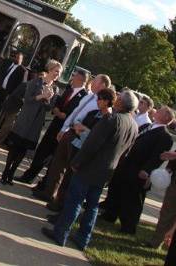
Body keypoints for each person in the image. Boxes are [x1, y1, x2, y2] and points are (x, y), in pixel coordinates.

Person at [41, 90, 139, 251]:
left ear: (121, 103)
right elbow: (126, 152)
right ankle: (83, 238)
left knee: (74, 201)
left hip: (89, 168)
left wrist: (77, 162)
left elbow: (92, 144)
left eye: (119, 98)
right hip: (106, 171)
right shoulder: (133, 125)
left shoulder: (111, 119)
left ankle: (60, 233)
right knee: (92, 205)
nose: (116, 100)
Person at [100, 106, 174, 234]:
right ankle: (110, 214)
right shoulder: (148, 126)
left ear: (166, 118)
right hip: (128, 164)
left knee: (133, 198)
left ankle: (128, 226)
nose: (156, 112)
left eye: (160, 111)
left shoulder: (164, 135)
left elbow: (157, 156)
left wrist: (147, 170)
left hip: (139, 169)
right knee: (117, 189)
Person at [14, 69, 89, 184]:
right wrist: (56, 110)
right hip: (54, 126)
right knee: (42, 151)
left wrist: (64, 115)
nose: (72, 78)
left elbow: (77, 112)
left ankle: (46, 183)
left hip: (65, 130)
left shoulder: (84, 96)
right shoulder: (69, 90)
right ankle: (28, 176)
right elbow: (57, 104)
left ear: (80, 79)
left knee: (55, 157)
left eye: (74, 76)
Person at [0, 60, 61, 185]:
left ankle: (11, 173)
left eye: (59, 73)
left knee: (23, 150)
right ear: (49, 70)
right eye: (56, 71)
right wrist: (41, 96)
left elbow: (49, 109)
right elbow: (27, 100)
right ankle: (5, 172)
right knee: (14, 148)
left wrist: (48, 99)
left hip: (36, 124)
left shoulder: (55, 89)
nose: (57, 74)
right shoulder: (35, 82)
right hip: (25, 119)